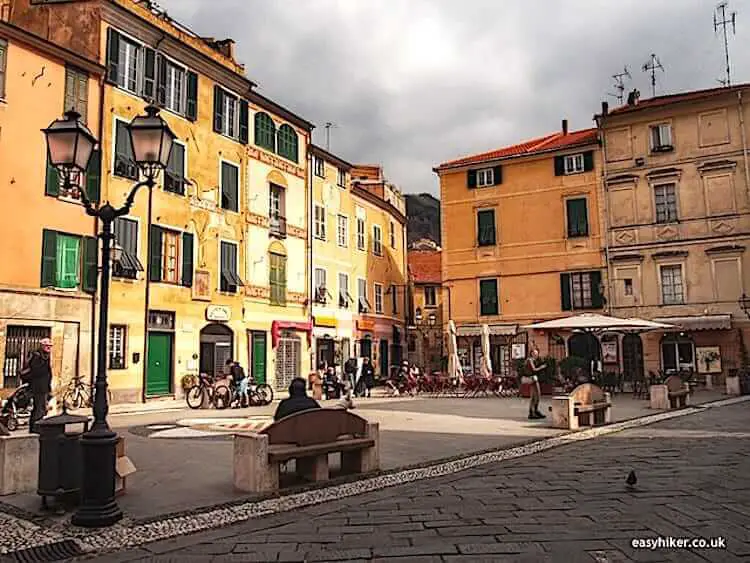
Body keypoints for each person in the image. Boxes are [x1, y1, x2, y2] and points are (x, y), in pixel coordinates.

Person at [27, 338, 53, 433]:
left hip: (44, 387)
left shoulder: (45, 356)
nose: (49, 347)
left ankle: (36, 427)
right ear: (42, 346)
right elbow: (36, 371)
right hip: (38, 387)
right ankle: (36, 428)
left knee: (40, 408)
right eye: (47, 346)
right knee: (39, 408)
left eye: (50, 346)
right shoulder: (38, 356)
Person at [525, 348, 547, 420]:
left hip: (534, 378)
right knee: (535, 396)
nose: (536, 355)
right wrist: (541, 367)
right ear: (531, 353)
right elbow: (534, 370)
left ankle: (535, 411)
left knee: (536, 396)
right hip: (532, 379)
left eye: (537, 353)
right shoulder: (530, 360)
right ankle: (532, 412)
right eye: (534, 353)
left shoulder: (533, 360)